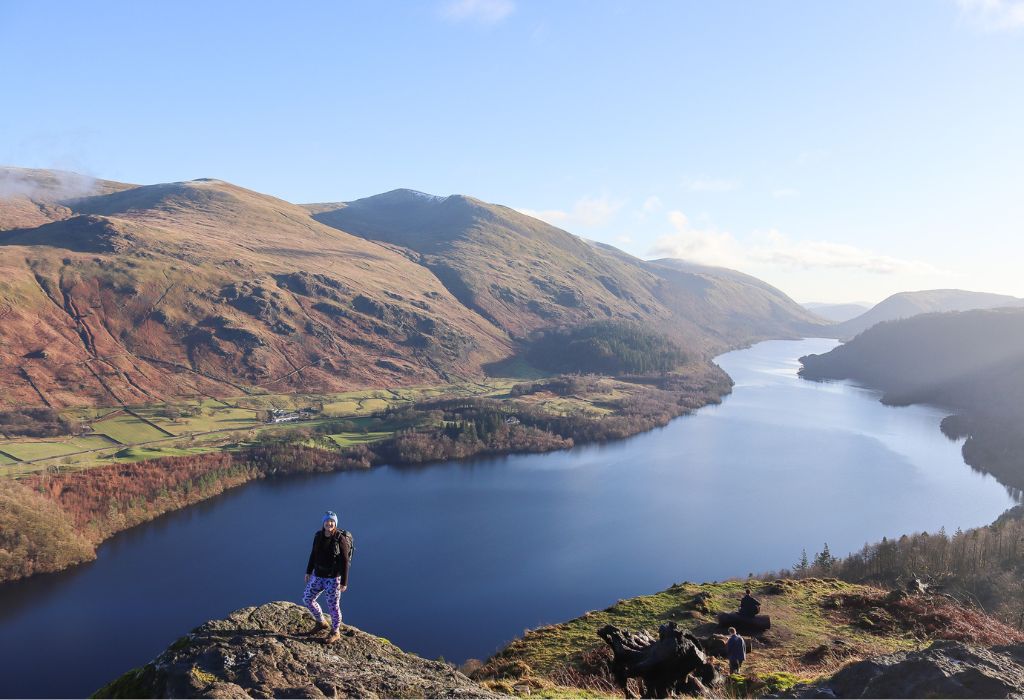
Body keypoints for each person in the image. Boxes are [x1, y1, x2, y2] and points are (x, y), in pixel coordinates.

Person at [303, 510, 351, 643]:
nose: (329, 523)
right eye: (327, 521)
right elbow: (313, 554)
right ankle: (321, 622)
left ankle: (335, 631)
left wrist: (344, 582)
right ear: (323, 522)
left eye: (332, 521)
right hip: (318, 575)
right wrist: (308, 571)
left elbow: (345, 561)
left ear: (335, 523)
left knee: (333, 606)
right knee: (307, 598)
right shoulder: (318, 536)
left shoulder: (340, 539)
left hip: (333, 578)